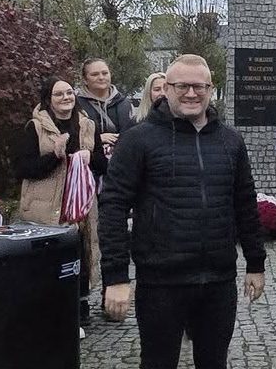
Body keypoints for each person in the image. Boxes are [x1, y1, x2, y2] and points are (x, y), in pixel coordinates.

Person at [99, 54, 266, 369]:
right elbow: (113, 206)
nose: (191, 93)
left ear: (210, 89)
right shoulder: (138, 139)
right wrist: (116, 276)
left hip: (218, 280)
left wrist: (255, 263)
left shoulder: (230, 141)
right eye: (182, 86)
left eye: (199, 87)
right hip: (161, 282)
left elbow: (245, 202)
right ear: (166, 89)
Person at [15, 77, 107, 333]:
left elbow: (103, 164)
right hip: (46, 206)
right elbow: (22, 168)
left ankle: (80, 306)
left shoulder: (87, 125)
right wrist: (55, 157)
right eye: (59, 94)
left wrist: (90, 157)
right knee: (50, 259)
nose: (66, 98)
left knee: (81, 255)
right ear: (48, 99)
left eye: (69, 92)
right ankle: (49, 308)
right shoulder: (35, 127)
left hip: (81, 206)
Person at [76, 58, 137, 158]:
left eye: (105, 73)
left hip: (122, 162)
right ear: (85, 80)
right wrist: (96, 139)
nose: (101, 77)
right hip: (90, 163)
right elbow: (70, 138)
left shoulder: (125, 104)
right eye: (95, 74)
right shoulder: (76, 105)